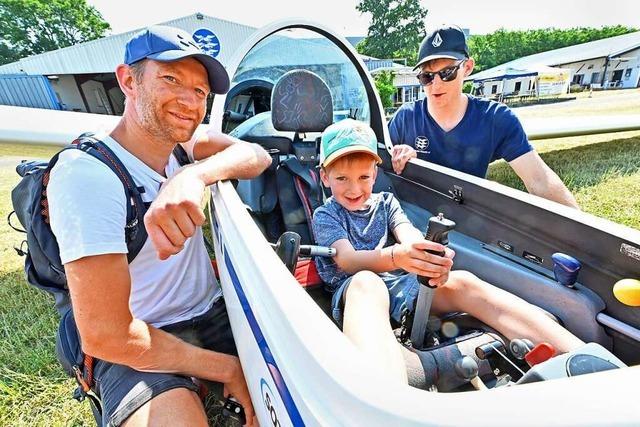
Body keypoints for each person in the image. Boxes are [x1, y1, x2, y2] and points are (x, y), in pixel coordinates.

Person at [47, 26, 272, 426]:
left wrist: (192, 176)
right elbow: (107, 336)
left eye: (201, 92)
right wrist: (226, 368)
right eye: (171, 79)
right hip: (139, 342)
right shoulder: (89, 175)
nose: (189, 101)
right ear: (128, 80)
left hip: (210, 314)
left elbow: (255, 154)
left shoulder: (178, 146)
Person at [313, 119, 584, 384]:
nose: (354, 188)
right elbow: (347, 260)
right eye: (342, 178)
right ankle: (384, 398)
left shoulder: (386, 202)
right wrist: (398, 256)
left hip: (401, 284)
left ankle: (581, 359)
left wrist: (428, 258)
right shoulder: (326, 214)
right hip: (357, 291)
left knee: (463, 281)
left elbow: (408, 234)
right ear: (325, 177)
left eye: (363, 176)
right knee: (367, 282)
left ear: (375, 173)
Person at [388, 25, 579, 209]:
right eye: (427, 77)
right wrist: (402, 156)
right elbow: (375, 169)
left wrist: (584, 230)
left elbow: (539, 180)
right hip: (414, 214)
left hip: (469, 220)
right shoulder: (406, 118)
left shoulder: (495, 119)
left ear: (468, 67)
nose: (436, 85)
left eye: (447, 73)